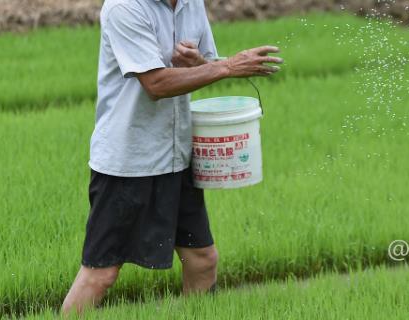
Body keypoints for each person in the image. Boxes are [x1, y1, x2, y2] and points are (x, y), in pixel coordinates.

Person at [61, 0, 282, 315]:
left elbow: (206, 63)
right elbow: (155, 83)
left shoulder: (191, 3)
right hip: (128, 162)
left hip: (178, 156)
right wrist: (228, 67)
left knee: (202, 260)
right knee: (101, 273)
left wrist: (199, 62)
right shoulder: (124, 7)